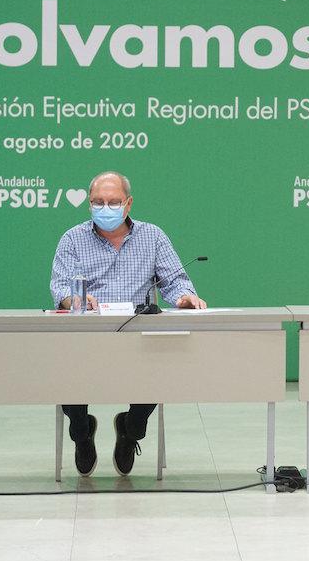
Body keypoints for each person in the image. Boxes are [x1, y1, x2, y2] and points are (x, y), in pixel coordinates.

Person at [49, 171, 207, 477]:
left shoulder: (153, 236)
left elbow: (174, 281)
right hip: (87, 338)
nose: (104, 208)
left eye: (113, 202)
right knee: (64, 368)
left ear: (128, 203)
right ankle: (81, 434)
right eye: (98, 202)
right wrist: (75, 301)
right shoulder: (72, 239)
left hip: (139, 338)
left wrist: (185, 297)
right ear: (88, 204)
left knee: (162, 365)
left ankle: (131, 430)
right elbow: (60, 287)